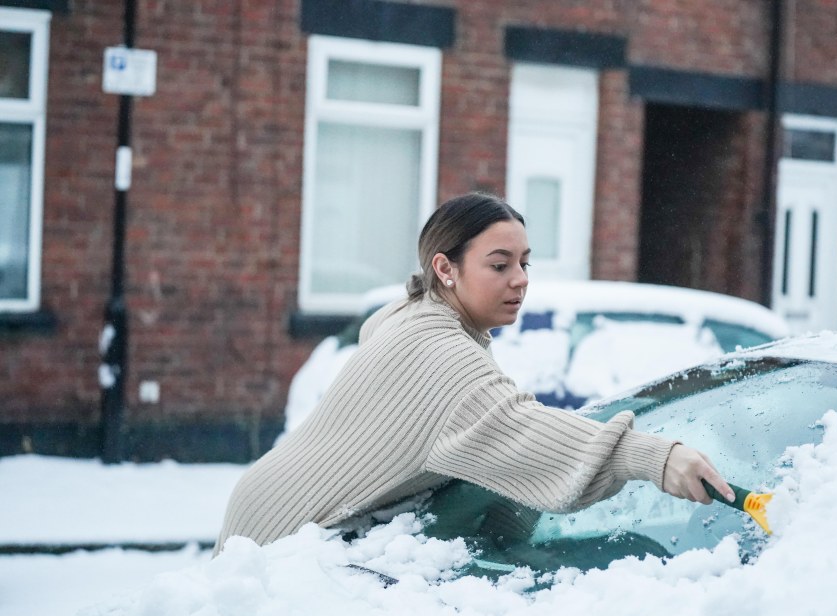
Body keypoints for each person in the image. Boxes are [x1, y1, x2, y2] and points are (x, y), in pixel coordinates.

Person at [215, 192, 733, 555]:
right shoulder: (437, 350)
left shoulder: (413, 312)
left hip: (272, 502)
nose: (521, 280)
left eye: (526, 263)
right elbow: (518, 427)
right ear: (446, 269)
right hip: (280, 529)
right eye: (500, 264)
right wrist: (652, 456)